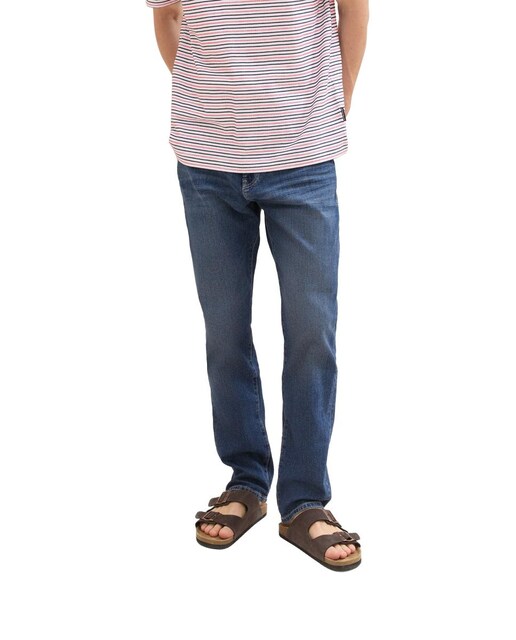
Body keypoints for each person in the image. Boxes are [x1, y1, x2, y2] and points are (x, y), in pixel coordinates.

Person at [147, 0, 369, 571]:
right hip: (207, 166)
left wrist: (339, 99)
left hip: (304, 160)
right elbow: (166, 16)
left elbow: (353, 10)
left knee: (312, 330)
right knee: (224, 330)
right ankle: (246, 482)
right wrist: (215, 105)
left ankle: (305, 500)